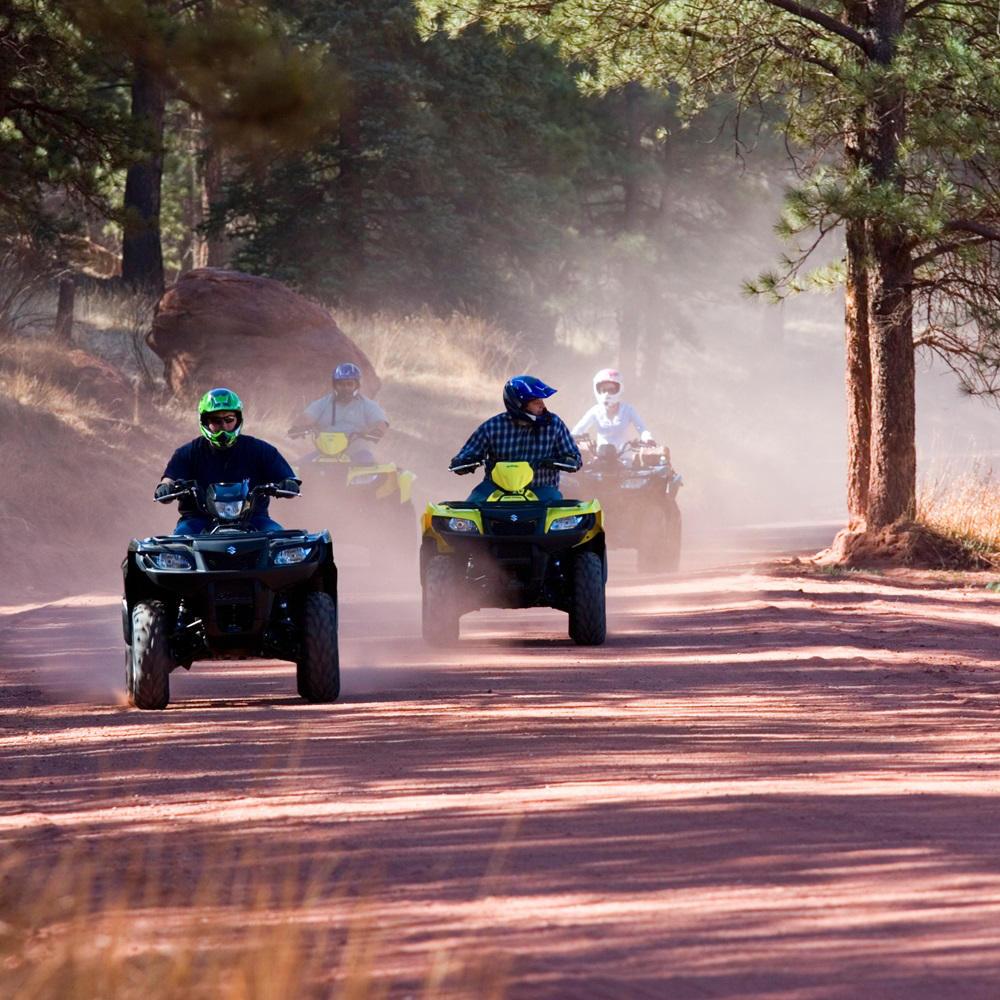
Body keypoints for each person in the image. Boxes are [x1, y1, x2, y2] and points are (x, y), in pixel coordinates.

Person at [155, 387, 300, 534]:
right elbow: (169, 478)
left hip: (253, 519)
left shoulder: (260, 450)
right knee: (179, 546)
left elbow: (288, 479)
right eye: (216, 421)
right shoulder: (187, 453)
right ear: (204, 421)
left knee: (279, 539)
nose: (223, 426)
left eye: (229, 420)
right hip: (198, 521)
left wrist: (289, 483)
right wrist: (165, 487)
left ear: (238, 420)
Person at [450, 375, 582, 502]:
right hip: (495, 490)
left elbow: (574, 457)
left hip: (541, 489)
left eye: (542, 401)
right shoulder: (493, 426)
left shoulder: (554, 424)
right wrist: (463, 462)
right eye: (536, 402)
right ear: (519, 405)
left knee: (564, 520)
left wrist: (568, 461)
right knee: (470, 512)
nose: (542, 405)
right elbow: (466, 455)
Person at [288, 362, 388, 464]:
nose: (345, 388)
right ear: (335, 385)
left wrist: (378, 431)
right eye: (341, 384)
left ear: (356, 385)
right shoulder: (323, 403)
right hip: (324, 453)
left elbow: (381, 422)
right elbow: (306, 417)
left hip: (356, 451)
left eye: (349, 384)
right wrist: (298, 427)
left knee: (366, 462)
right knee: (296, 468)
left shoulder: (367, 405)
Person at [572, 368, 656, 453]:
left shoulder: (628, 409)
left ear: (620, 389)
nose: (607, 394)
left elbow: (641, 427)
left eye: (611, 390)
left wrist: (647, 438)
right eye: (603, 390)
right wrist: (569, 438)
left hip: (625, 459)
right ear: (597, 390)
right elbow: (579, 429)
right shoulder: (595, 411)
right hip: (599, 459)